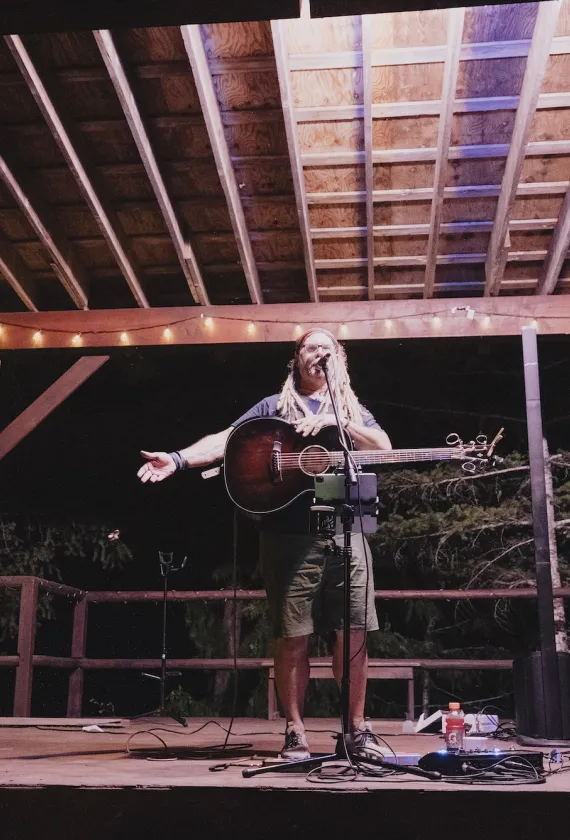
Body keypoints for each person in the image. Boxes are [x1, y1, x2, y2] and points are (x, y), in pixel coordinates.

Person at [137, 329, 392, 761]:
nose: (320, 353)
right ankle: (295, 730)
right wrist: (178, 459)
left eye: (329, 348)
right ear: (297, 358)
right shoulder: (275, 406)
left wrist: (340, 423)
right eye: (312, 346)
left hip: (346, 529)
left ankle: (356, 729)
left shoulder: (351, 409)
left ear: (341, 359)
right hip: (289, 535)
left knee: (354, 630)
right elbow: (227, 440)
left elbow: (383, 447)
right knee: (292, 633)